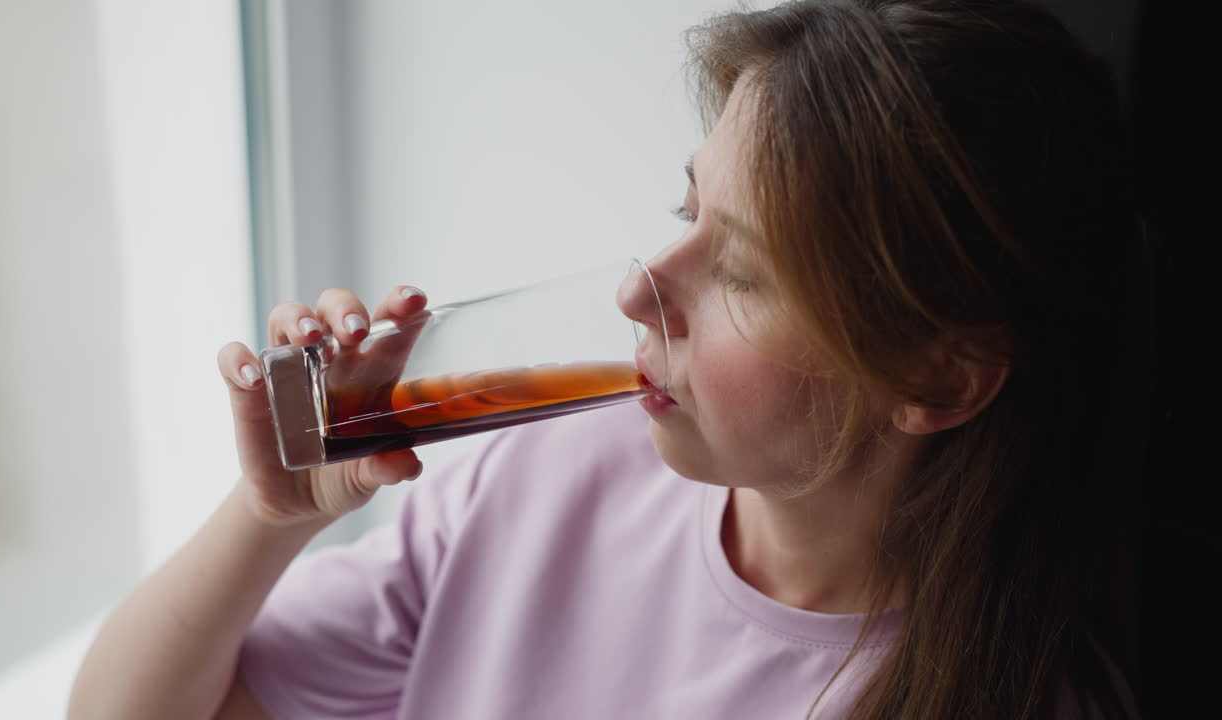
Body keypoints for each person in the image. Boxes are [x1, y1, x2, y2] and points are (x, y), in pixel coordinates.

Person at [68, 0, 1150, 717]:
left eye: (742, 271)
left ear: (936, 378)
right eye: (684, 206)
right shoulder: (549, 477)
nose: (636, 285)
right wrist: (273, 516)